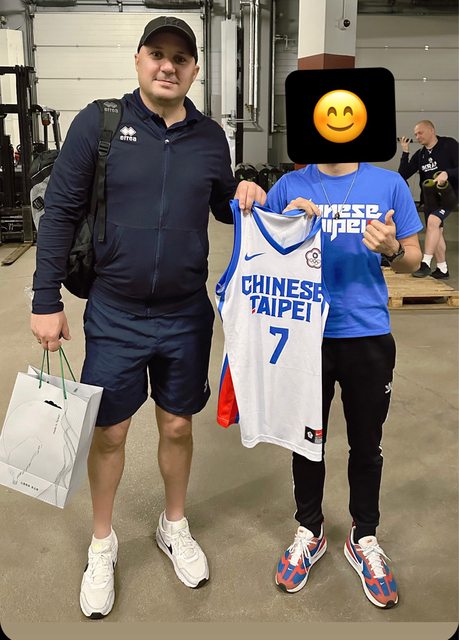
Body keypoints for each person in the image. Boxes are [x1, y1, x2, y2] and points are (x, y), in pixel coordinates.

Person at [30, 16, 265, 619]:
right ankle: (102, 542)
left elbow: (222, 205)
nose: (168, 66)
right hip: (115, 312)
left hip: (186, 314)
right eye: (157, 54)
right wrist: (45, 300)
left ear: (194, 70)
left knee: (178, 426)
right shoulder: (100, 123)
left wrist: (245, 190)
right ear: (139, 60)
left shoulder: (211, 137)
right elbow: (59, 212)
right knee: (110, 432)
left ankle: (173, 524)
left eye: (180, 59)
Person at [265, 161, 422, 608]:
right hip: (305, 335)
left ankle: (363, 536)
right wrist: (281, 224)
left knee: (367, 445)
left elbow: (413, 259)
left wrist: (393, 248)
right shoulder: (290, 185)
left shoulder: (388, 183)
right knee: (306, 442)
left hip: (367, 334)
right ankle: (309, 531)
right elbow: (258, 251)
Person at [398, 120, 458, 279]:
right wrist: (405, 152)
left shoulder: (449, 145)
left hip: (449, 194)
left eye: (420, 133)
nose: (417, 137)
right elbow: (402, 175)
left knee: (433, 222)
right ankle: (442, 268)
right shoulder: (420, 155)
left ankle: (425, 263)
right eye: (415, 134)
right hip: (430, 198)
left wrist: (447, 173)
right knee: (436, 231)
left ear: (431, 130)